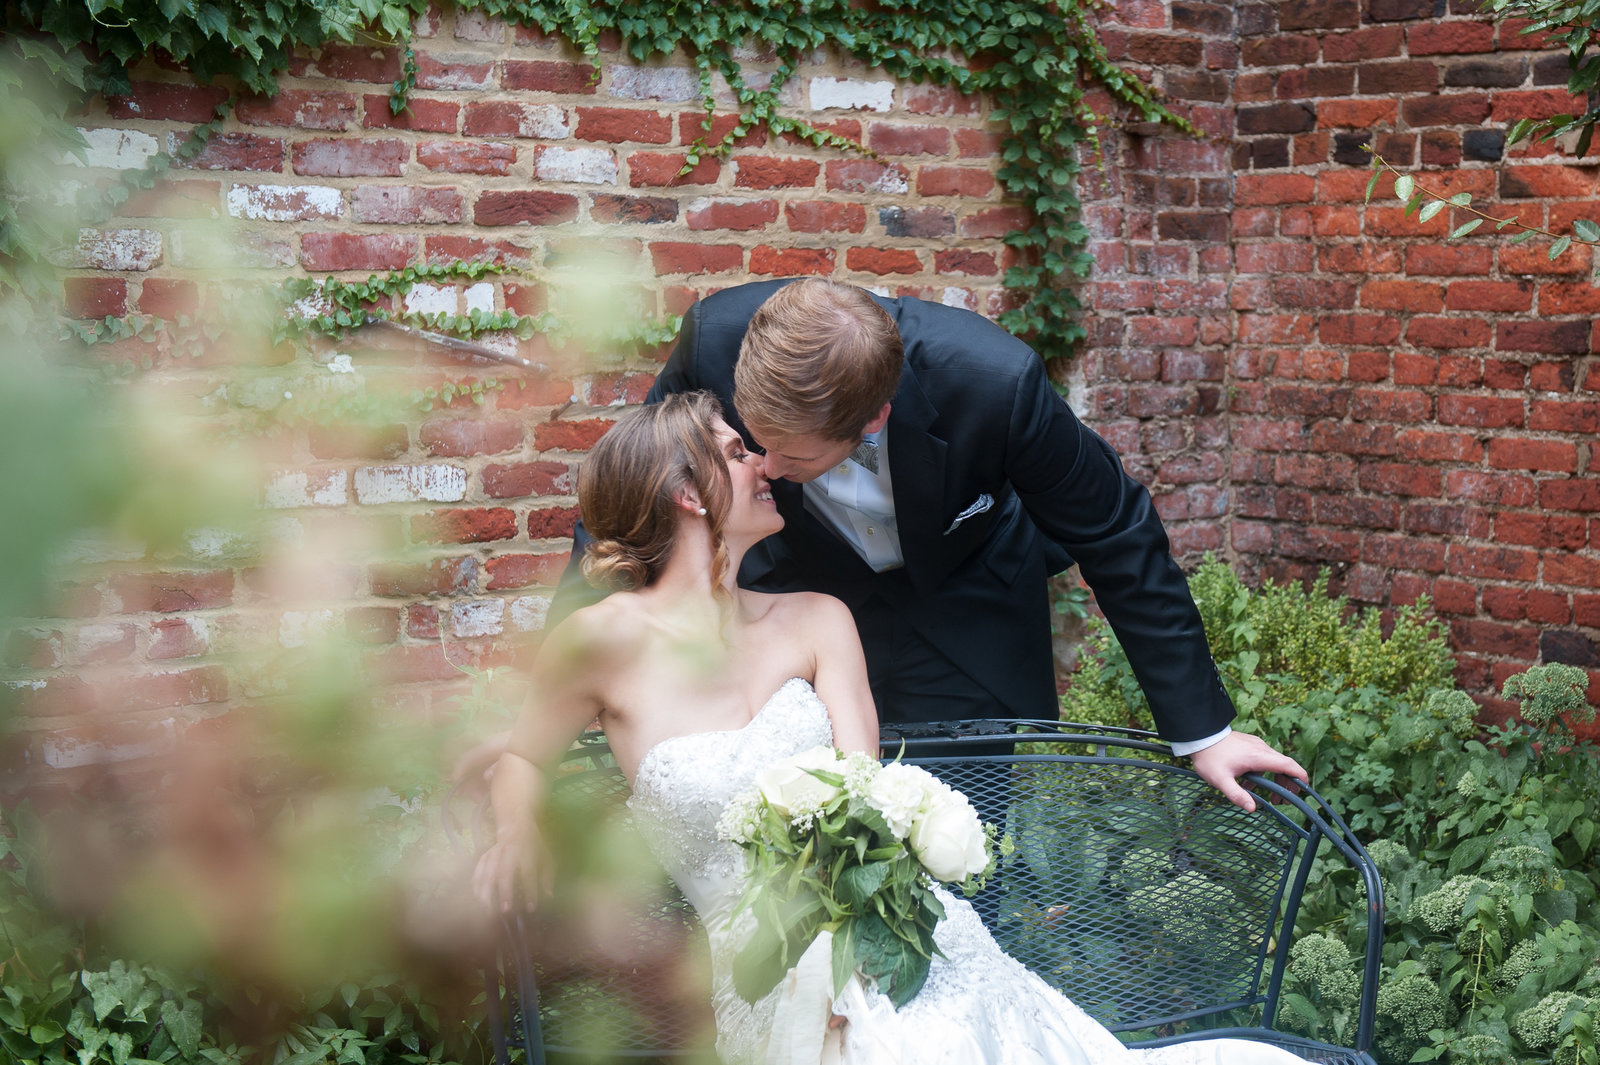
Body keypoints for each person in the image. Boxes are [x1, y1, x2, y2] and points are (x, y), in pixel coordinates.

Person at [477, 391, 1312, 1065]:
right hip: (763, 975)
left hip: (895, 934)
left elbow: (866, 794)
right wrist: (517, 830)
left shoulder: (816, 620)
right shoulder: (596, 642)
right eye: (738, 451)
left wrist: (865, 947)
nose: (765, 463)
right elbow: (520, 754)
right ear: (687, 494)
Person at [552, 278, 1303, 812]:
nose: (767, 469)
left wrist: (1203, 733)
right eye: (756, 442)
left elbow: (1116, 531)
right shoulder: (718, 338)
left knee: (962, 858)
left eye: (794, 457)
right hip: (799, 615)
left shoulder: (995, 383)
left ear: (872, 420)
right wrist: (573, 670)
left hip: (963, 613)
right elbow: (627, 492)